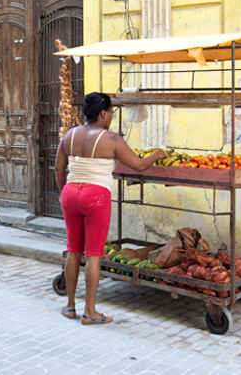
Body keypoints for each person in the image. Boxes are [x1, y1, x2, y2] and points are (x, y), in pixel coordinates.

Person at [54, 92, 165, 325]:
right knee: (94, 255)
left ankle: (70, 306)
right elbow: (140, 165)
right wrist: (159, 153)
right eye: (111, 112)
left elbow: (58, 168)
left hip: (70, 194)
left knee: (74, 251)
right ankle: (90, 312)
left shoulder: (70, 135)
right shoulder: (111, 139)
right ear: (103, 113)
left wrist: (66, 191)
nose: (111, 116)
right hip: (95, 197)